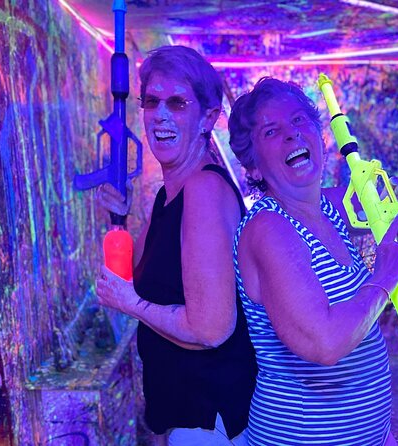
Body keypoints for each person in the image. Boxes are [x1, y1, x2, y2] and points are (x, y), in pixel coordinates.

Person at [228, 77, 398, 445]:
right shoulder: (269, 228)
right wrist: (384, 279)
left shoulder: (328, 207)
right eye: (271, 131)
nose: (291, 134)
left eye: (299, 120)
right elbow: (324, 343)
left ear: (320, 138)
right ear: (254, 168)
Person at [95, 46, 257, 446]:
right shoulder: (169, 195)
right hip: (189, 414)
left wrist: (131, 304)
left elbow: (211, 329)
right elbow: (143, 279)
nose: (161, 115)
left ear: (208, 118)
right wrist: (120, 219)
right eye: (152, 102)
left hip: (210, 418)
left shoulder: (203, 190)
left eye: (177, 103)